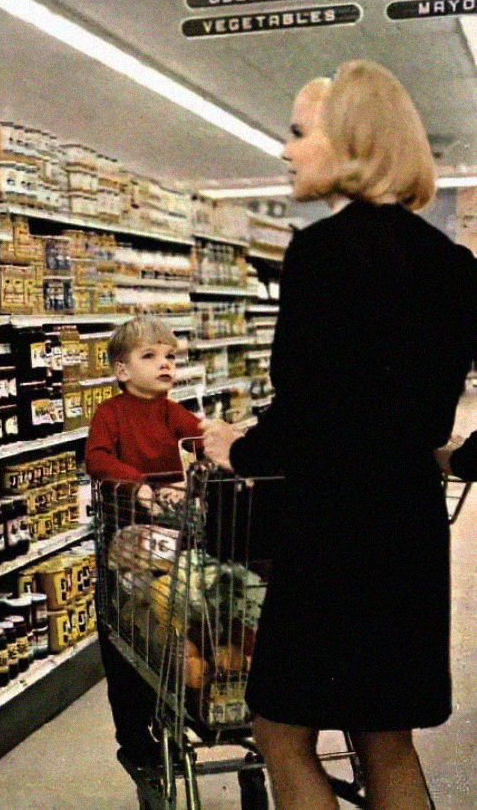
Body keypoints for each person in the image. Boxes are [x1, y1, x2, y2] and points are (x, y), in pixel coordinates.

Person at [201, 60, 477, 810]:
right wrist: (460, 451)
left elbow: (310, 412)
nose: (287, 151)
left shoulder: (323, 253)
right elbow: (387, 405)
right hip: (408, 528)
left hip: (332, 532)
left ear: (350, 139)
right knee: (386, 736)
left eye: (298, 133)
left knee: (280, 728)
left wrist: (237, 448)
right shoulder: (453, 264)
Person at [85, 315, 202, 769]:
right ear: (121, 371)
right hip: (127, 537)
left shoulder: (174, 412)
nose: (165, 364)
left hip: (176, 534)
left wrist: (213, 457)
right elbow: (97, 458)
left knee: (173, 618)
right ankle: (136, 736)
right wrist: (139, 485)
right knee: (126, 633)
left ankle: (182, 687)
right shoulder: (109, 413)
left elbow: (199, 442)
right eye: (150, 356)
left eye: (170, 356)